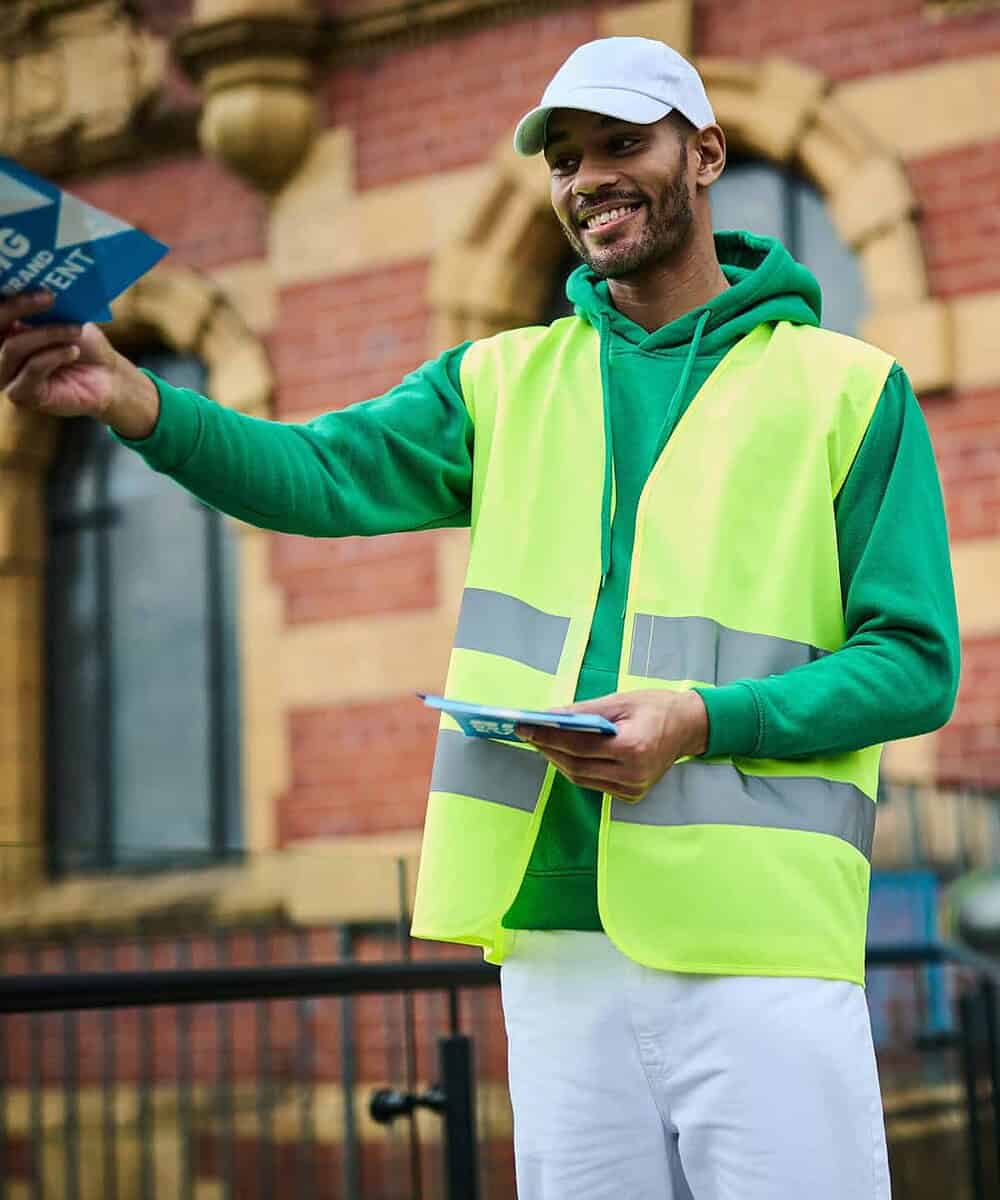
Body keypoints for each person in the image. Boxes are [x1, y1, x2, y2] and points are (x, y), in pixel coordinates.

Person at [1, 36, 959, 1200]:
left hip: (760, 948)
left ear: (702, 154)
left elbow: (913, 666)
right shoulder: (498, 380)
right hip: (551, 944)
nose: (587, 176)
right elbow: (315, 473)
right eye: (563, 158)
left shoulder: (848, 390)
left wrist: (699, 719)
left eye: (621, 143)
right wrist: (133, 398)